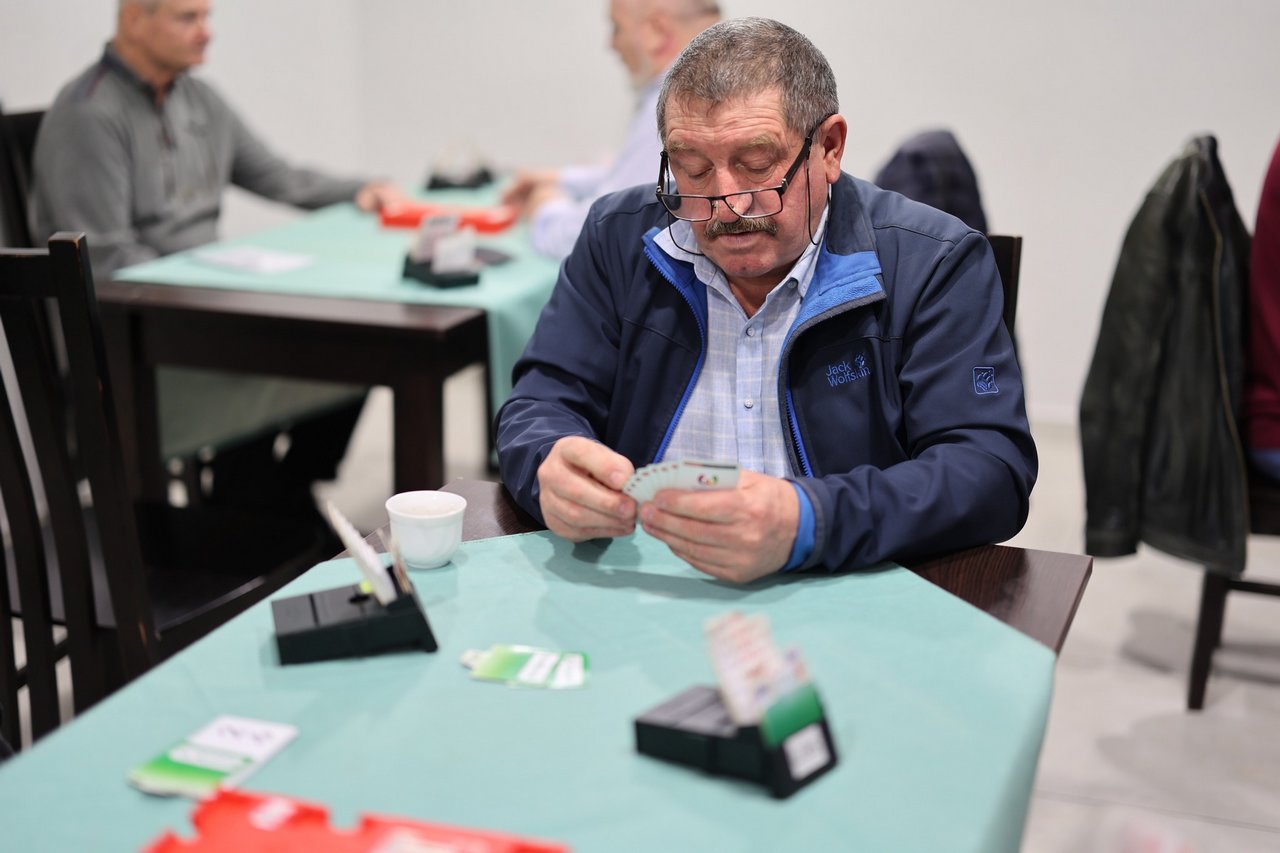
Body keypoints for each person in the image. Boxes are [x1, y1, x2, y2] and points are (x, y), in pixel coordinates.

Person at [496, 18, 1037, 584]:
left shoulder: (934, 262)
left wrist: (808, 519)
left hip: (845, 585)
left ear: (830, 148)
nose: (726, 204)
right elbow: (539, 401)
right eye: (692, 169)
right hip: (647, 584)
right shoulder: (617, 237)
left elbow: (989, 470)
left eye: (756, 166)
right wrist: (548, 461)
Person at [30, 0, 408, 521]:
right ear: (135, 18)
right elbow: (105, 263)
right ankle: (264, 512)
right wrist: (214, 290)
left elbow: (280, 176)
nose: (206, 32)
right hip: (134, 351)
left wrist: (363, 190)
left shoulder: (200, 99)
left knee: (366, 345)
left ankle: (272, 502)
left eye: (207, 17)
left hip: (203, 321)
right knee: (323, 352)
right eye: (188, 18)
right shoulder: (89, 114)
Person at [500, 0, 721, 259]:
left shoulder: (680, 104)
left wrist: (545, 207)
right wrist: (561, 179)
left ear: (656, 32)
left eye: (617, 28)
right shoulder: (716, 85)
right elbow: (641, 180)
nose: (611, 44)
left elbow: (603, 235)